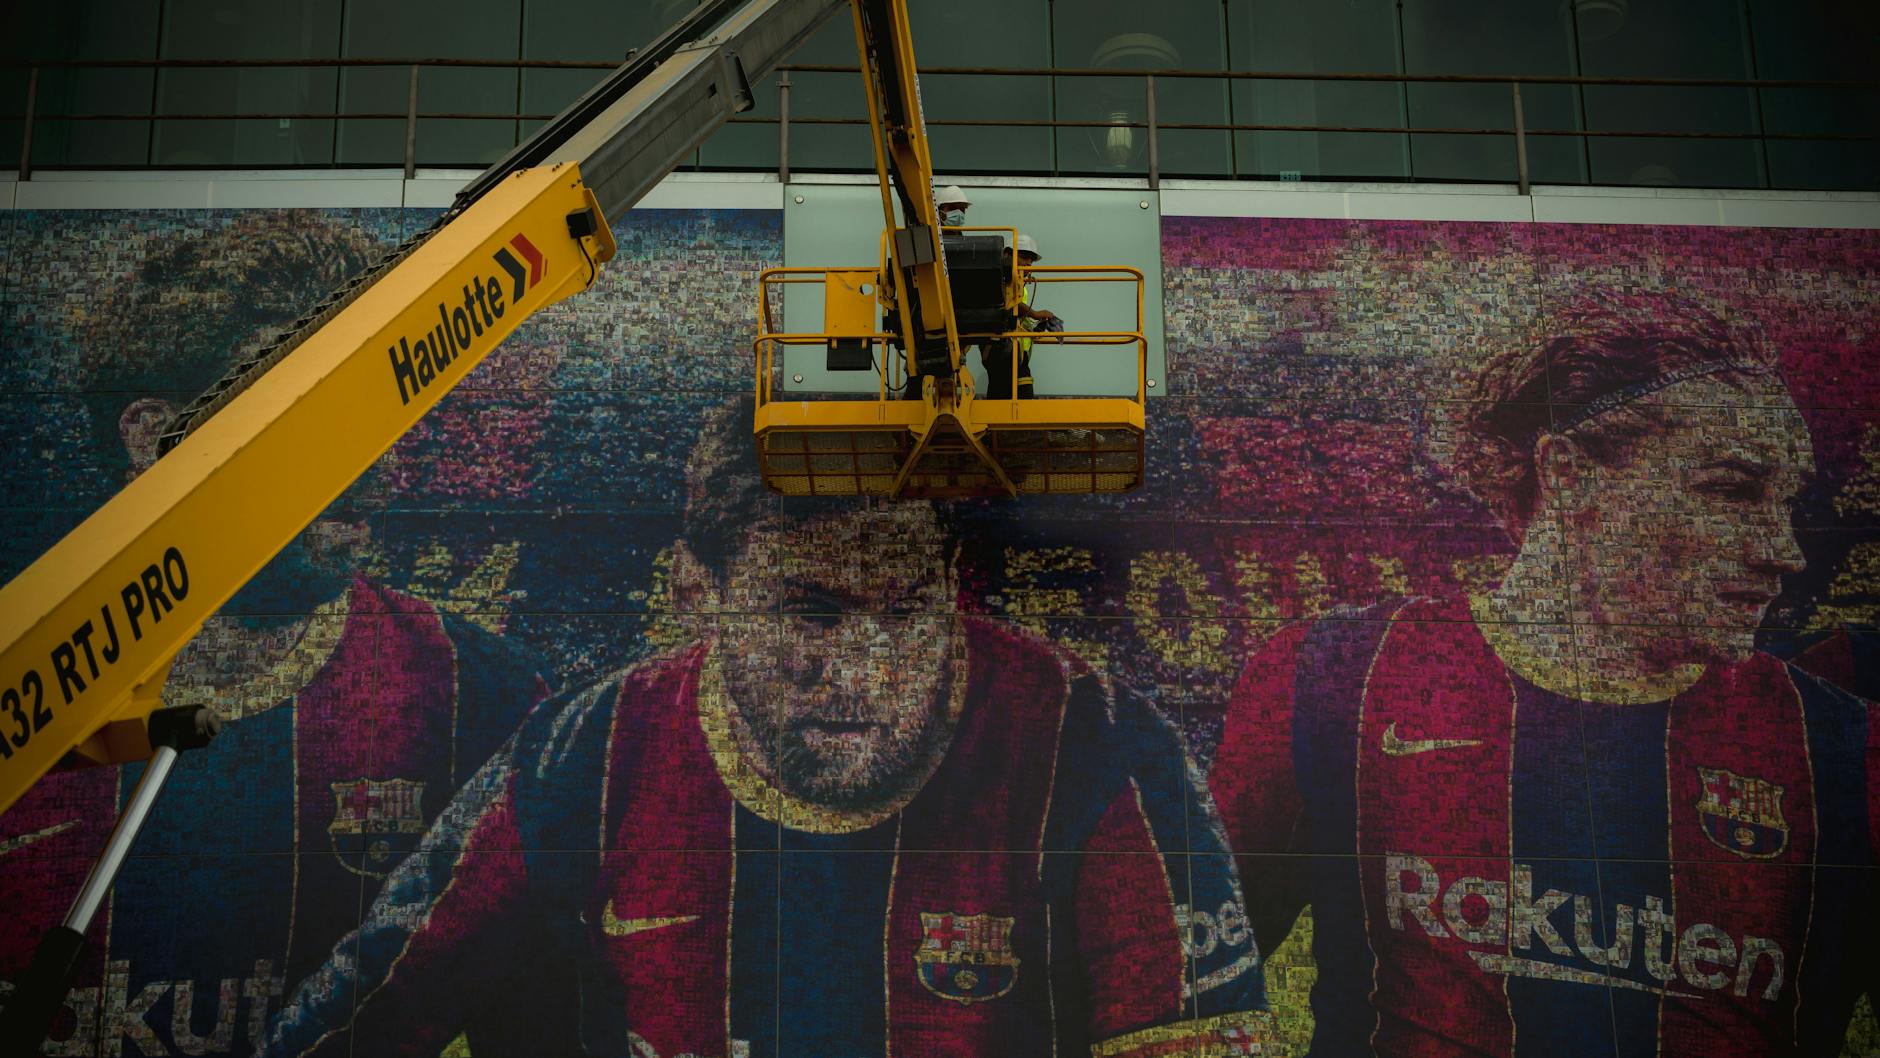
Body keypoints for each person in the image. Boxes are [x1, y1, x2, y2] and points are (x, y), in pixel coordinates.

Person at [260, 397, 1277, 1058]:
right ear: (694, 592)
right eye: (810, 613)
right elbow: (358, 1011)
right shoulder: (590, 752)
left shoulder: (1095, 742)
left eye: (906, 612)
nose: (864, 672)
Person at [1210, 292, 1878, 1057]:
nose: (1784, 551)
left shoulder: (1844, 749)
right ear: (1568, 475)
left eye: (1787, 503)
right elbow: (1184, 989)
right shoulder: (1332, 678)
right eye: (1731, 490)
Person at [0, 212, 547, 1056]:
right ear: (153, 435)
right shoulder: (26, 696)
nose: (384, 465)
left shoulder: (484, 697)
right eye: (319, 417)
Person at [984, 233, 1060, 400]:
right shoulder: (998, 280)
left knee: (1008, 393)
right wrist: (1035, 313)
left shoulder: (1020, 288)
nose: (1028, 264)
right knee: (1007, 393)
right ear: (1007, 256)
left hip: (1015, 350)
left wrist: (1034, 327)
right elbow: (1005, 301)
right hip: (1000, 348)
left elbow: (1015, 316)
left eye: (1031, 260)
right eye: (1024, 257)